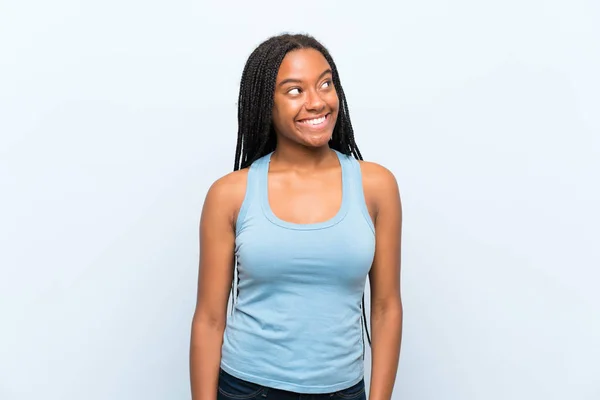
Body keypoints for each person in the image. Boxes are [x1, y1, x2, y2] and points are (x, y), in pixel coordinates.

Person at [190, 33, 403, 400]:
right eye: (294, 91)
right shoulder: (229, 194)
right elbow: (209, 320)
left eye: (325, 84)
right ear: (264, 105)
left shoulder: (376, 186)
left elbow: (386, 307)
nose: (317, 102)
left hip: (342, 391)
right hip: (248, 389)